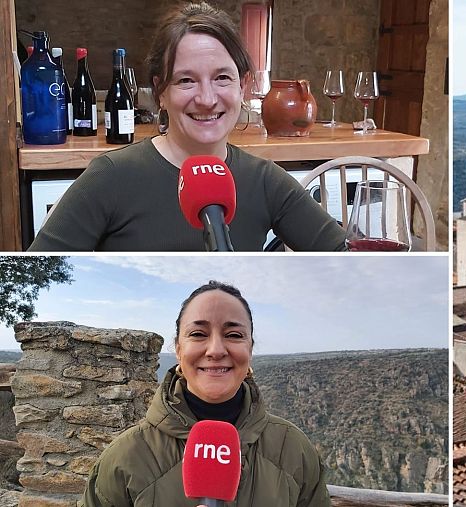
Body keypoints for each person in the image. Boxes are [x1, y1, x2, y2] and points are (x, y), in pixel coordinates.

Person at [29, 2, 347, 251]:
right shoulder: (110, 177)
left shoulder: (265, 181)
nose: (207, 99)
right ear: (161, 92)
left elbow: (347, 259)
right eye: (186, 80)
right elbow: (37, 280)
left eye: (222, 77)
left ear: (243, 86)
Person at [80, 281, 331, 506]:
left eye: (233, 335)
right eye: (198, 334)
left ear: (250, 348)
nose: (216, 350)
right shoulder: (126, 457)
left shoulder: (294, 450)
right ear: (178, 349)